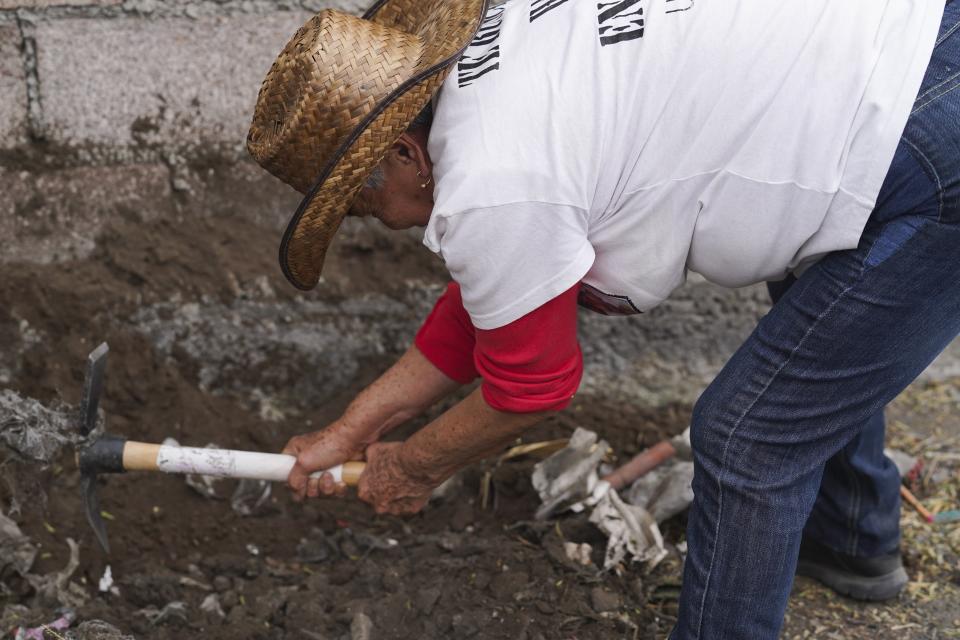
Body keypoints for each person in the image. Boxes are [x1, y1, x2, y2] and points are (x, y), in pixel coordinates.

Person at [246, 0, 959, 636]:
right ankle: (850, 537)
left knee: (748, 440)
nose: (382, 224)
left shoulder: (491, 178)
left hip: (928, 150)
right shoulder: (494, 67)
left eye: (363, 204)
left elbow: (532, 387)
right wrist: (354, 430)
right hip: (912, 49)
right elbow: (501, 300)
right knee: (812, 314)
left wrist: (414, 465)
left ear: (404, 152)